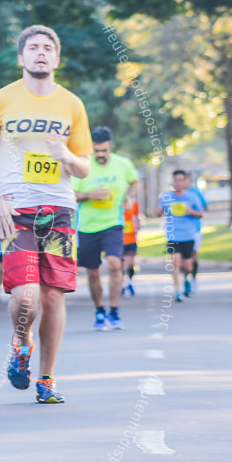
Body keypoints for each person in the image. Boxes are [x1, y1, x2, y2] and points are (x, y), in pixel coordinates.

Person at [0, 24, 91, 404]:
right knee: (25, 299)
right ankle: (22, 344)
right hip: (15, 212)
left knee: (53, 297)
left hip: (59, 212)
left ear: (57, 58)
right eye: (33, 47)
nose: (41, 52)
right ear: (21, 58)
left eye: (47, 47)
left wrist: (66, 157)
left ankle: (47, 379)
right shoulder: (1, 100)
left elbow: (84, 167)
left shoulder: (72, 104)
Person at [72, 126, 138, 330]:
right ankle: (99, 310)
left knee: (114, 264)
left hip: (113, 223)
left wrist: (130, 197)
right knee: (93, 273)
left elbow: (134, 181)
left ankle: (115, 311)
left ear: (111, 148)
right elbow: (70, 193)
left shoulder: (123, 164)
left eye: (104, 151)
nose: (100, 155)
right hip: (87, 226)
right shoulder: (82, 166)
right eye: (97, 151)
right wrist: (90, 195)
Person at [159, 170, 204, 302]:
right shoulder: (166, 197)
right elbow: (159, 212)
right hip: (173, 235)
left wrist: (191, 211)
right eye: (175, 180)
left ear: (185, 182)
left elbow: (201, 214)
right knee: (175, 262)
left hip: (188, 235)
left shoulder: (192, 197)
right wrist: (159, 212)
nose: (178, 183)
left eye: (180, 180)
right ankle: (177, 291)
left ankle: (187, 279)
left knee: (187, 265)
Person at [121, 196, 141, 296]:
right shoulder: (116, 201)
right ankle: (123, 284)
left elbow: (136, 218)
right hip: (119, 238)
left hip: (131, 238)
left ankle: (129, 282)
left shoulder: (134, 203)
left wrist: (137, 226)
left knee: (130, 263)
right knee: (122, 264)